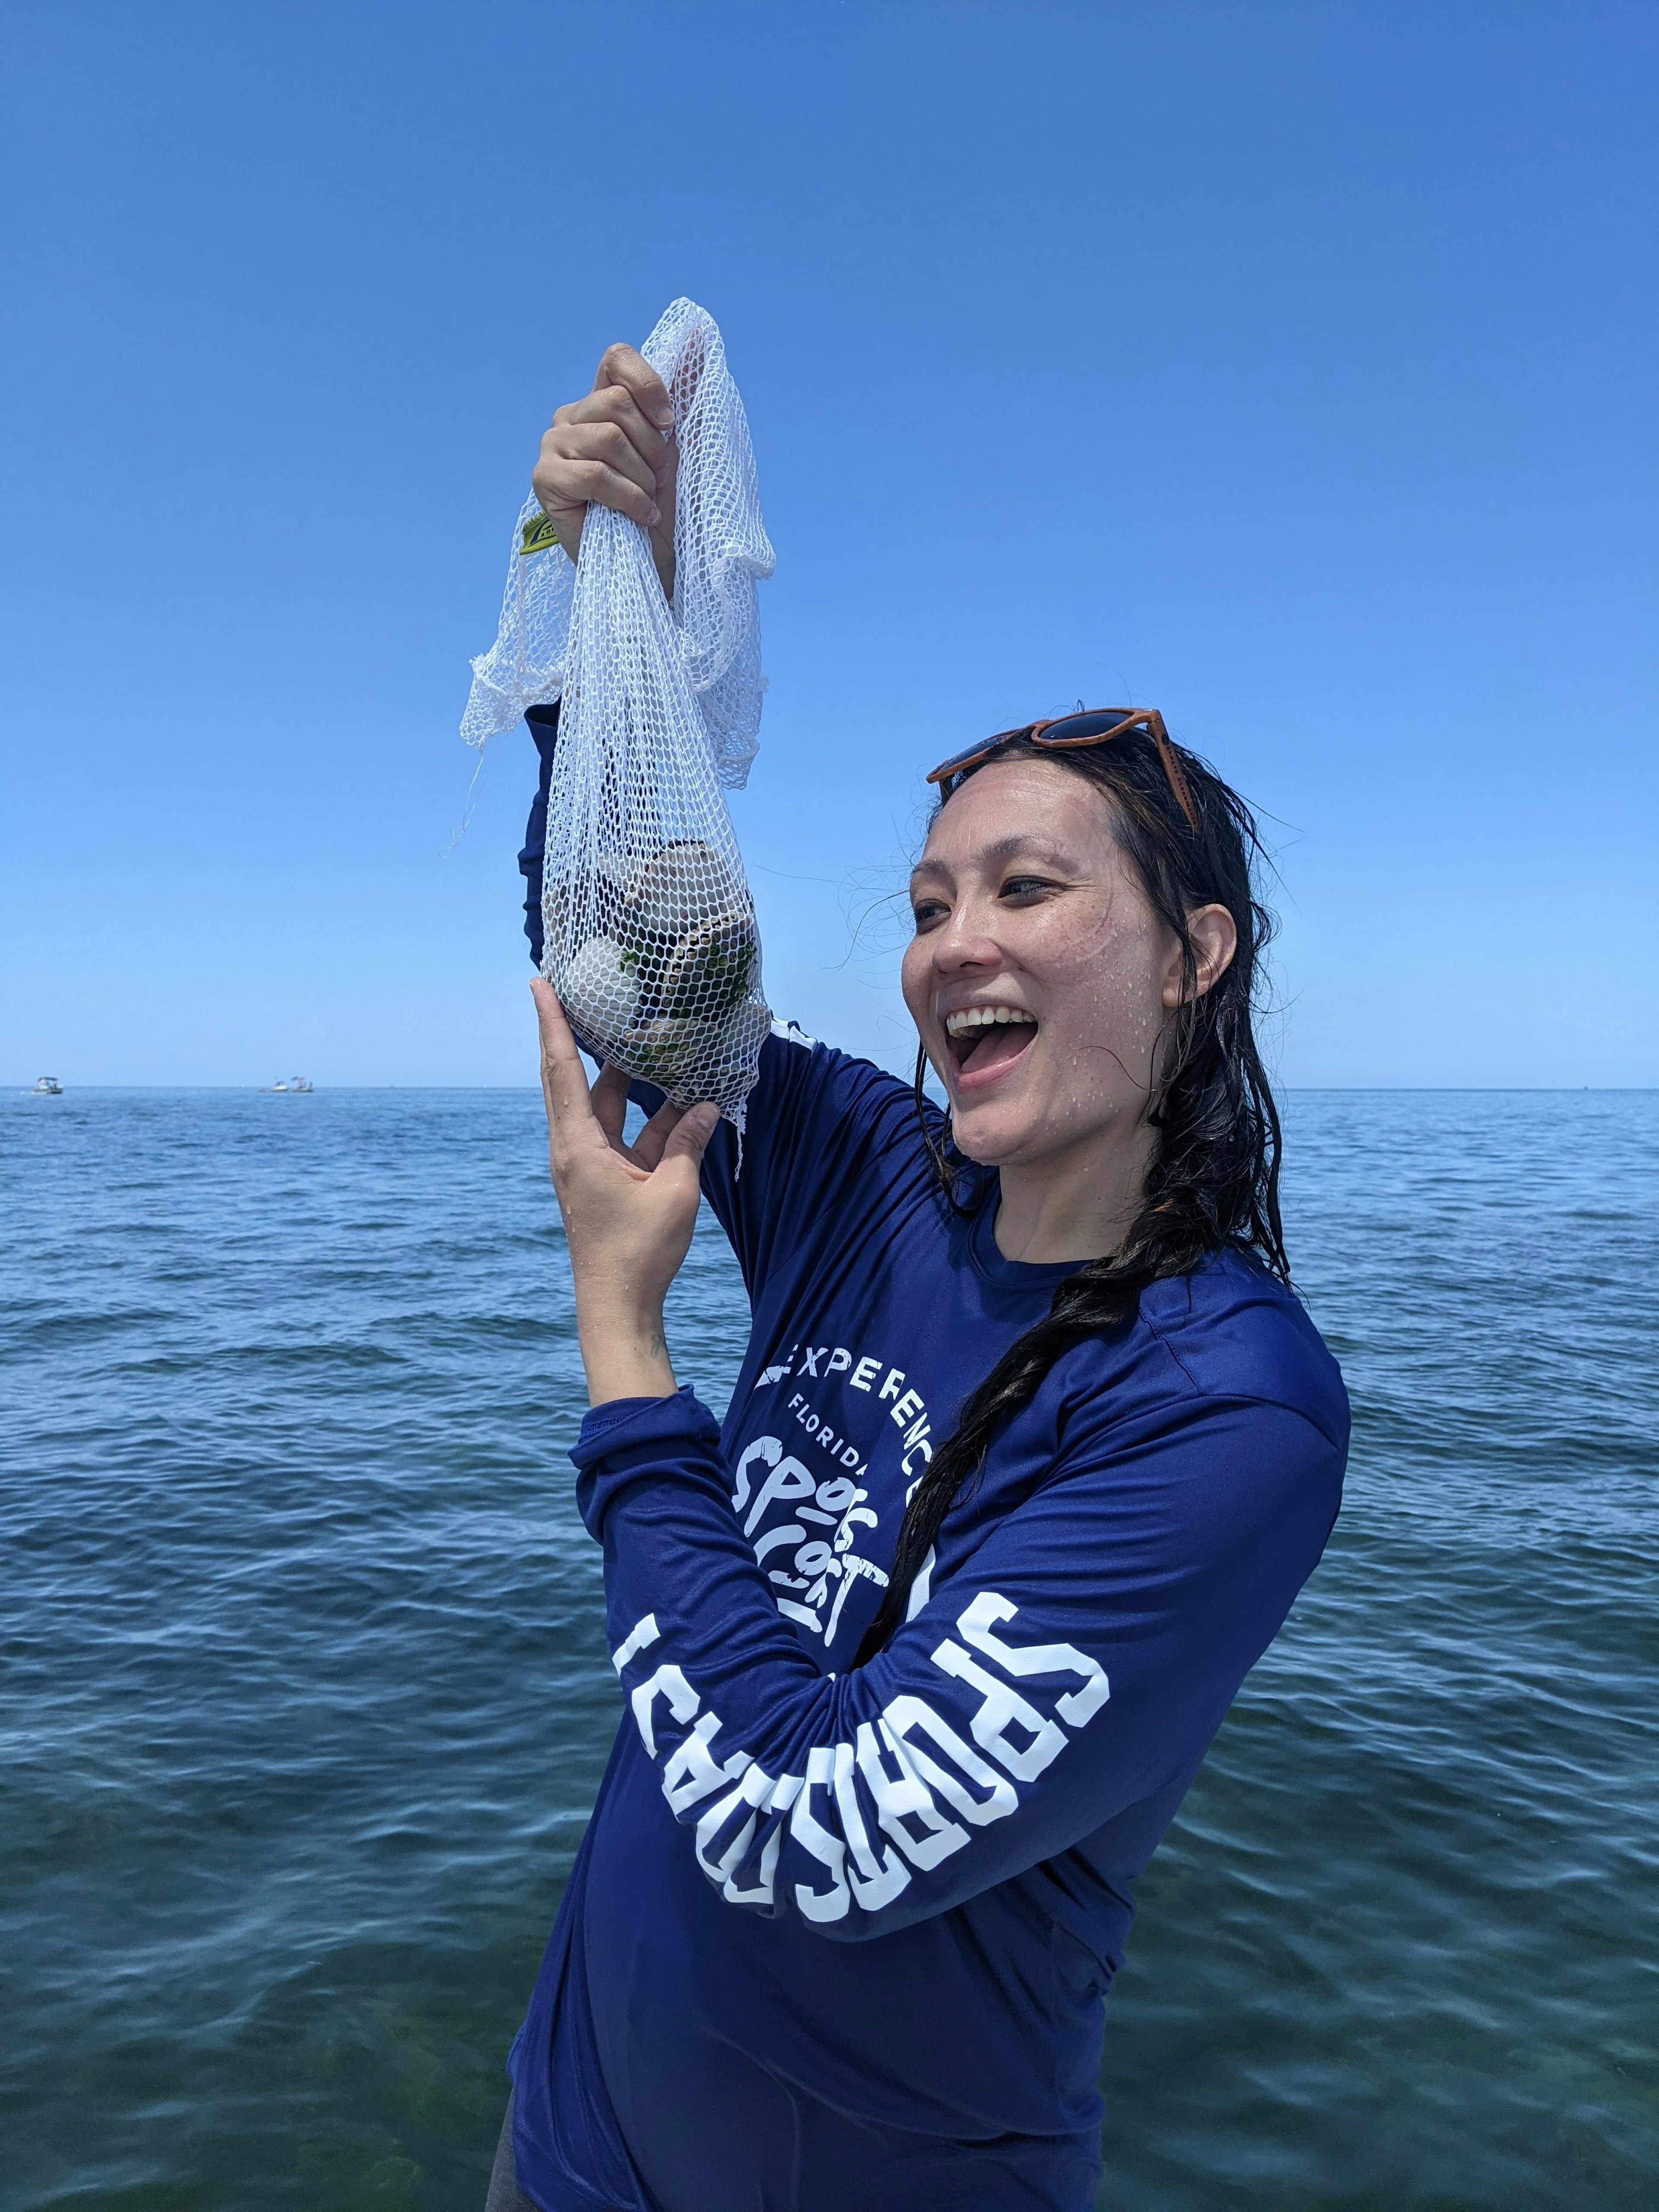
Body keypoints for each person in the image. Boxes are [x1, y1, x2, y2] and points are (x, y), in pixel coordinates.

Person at [484, 346, 1350, 2212]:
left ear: (1196, 952)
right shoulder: (867, 1171)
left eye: (1026, 891)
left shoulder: (1223, 1404)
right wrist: (587, 588)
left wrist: (624, 1348)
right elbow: (618, 954)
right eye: (931, 902)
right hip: (569, 2142)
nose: (953, 945)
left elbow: (806, 1831)